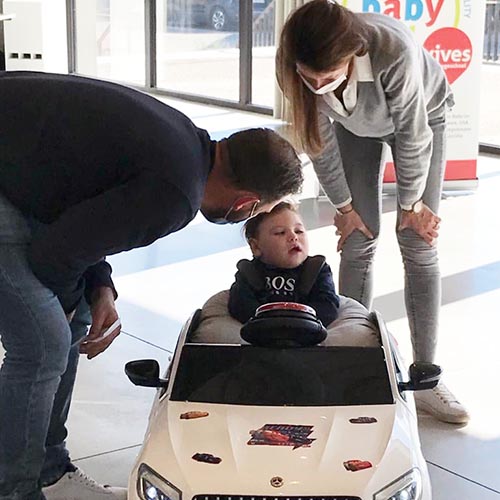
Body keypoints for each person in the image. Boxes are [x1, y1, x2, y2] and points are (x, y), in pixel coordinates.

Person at [0, 71, 304, 500]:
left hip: (17, 175)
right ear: (245, 203)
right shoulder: (177, 193)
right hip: (7, 190)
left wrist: (100, 289)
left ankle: (49, 468)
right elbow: (54, 255)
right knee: (44, 343)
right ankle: (14, 489)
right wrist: (67, 310)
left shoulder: (187, 143)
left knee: (75, 313)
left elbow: (82, 216)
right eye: (260, 211)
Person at [276, 0, 469, 424]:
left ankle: (426, 378)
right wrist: (343, 208)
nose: (320, 88)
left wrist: (411, 206)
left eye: (330, 78)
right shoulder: (295, 64)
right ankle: (350, 365)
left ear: (352, 56)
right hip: (355, 128)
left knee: (417, 239)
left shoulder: (392, 52)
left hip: (422, 119)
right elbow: (317, 139)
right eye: (311, 80)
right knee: (358, 237)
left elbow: (414, 133)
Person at [228, 202, 340, 326]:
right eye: (280, 232)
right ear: (255, 246)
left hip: (306, 330)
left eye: (299, 231)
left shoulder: (317, 269)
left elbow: (328, 306)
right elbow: (240, 305)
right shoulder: (249, 271)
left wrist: (297, 323)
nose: (293, 237)